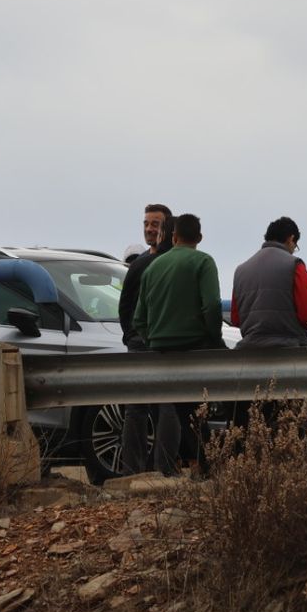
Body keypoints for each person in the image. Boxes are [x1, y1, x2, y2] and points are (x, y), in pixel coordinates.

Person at [134, 213, 223, 478]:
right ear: (200, 238)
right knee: (198, 408)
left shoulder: (154, 266)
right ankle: (207, 465)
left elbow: (139, 318)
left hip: (160, 348)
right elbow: (212, 305)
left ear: (173, 237)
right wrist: (213, 336)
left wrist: (153, 339)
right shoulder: (204, 261)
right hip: (194, 345)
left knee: (184, 409)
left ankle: (201, 464)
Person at [117, 203, 173, 474]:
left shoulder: (170, 262)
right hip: (141, 343)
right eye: (146, 223)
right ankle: (134, 470)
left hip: (164, 344)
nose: (150, 229)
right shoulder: (138, 265)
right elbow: (125, 305)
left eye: (156, 224)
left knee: (163, 406)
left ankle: (161, 469)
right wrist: (130, 336)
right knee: (138, 408)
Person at [231, 217, 307, 349]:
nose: (294, 250)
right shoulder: (295, 265)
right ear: (290, 239)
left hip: (249, 351)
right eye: (295, 245)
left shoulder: (241, 270)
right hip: (289, 348)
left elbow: (236, 319)